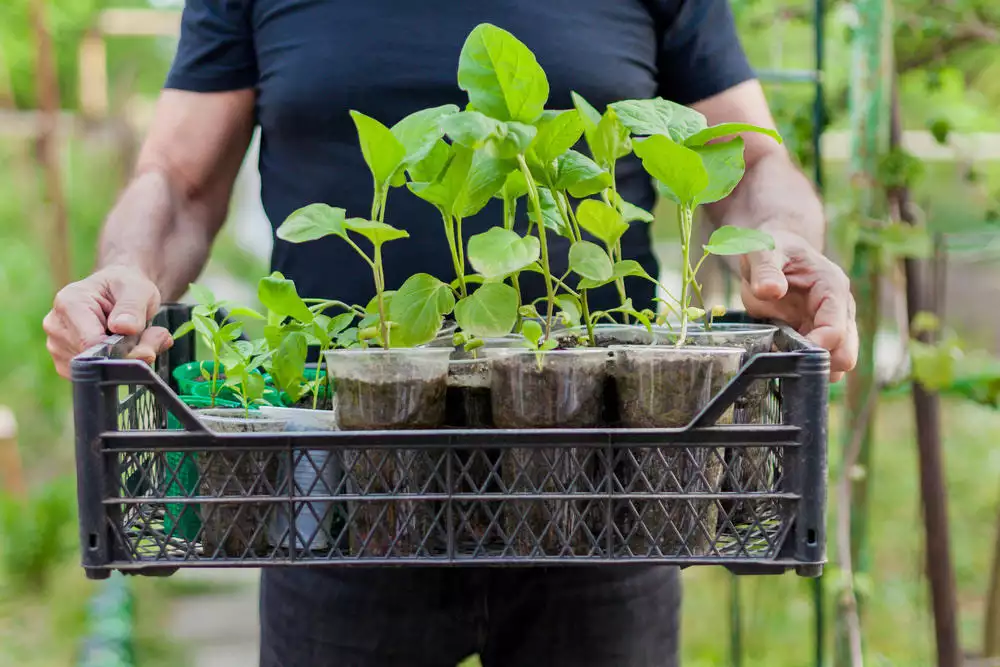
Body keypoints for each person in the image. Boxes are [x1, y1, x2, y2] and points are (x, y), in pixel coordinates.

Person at [44, 1, 858, 665]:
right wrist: (127, 269)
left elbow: (749, 163)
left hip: (605, 485)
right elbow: (179, 183)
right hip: (340, 491)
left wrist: (783, 244)